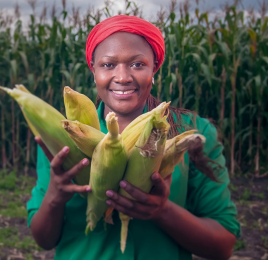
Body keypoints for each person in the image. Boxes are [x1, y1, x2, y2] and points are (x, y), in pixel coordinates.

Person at [27, 15, 241, 260]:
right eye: (108, 65)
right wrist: (56, 194)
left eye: (138, 64)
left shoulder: (193, 132)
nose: (123, 77)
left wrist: (162, 211)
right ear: (93, 70)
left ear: (154, 69)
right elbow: (43, 240)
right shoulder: (64, 135)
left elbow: (223, 245)